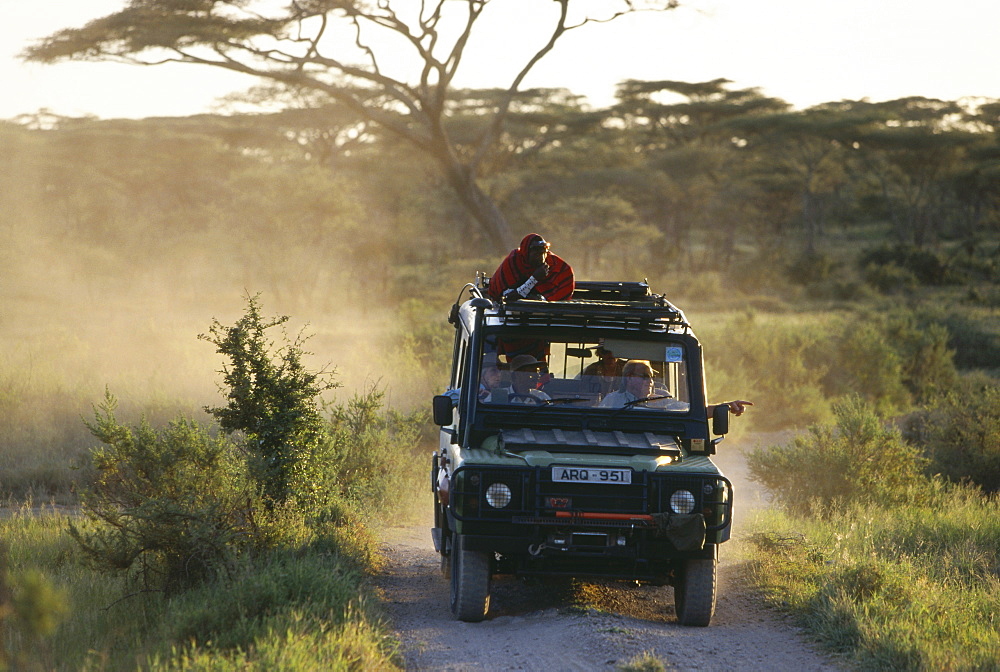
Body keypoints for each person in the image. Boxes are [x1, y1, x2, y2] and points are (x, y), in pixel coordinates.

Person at [599, 360, 753, 417]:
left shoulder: (662, 399)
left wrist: (726, 406)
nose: (650, 381)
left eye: (652, 377)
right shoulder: (612, 400)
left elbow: (694, 411)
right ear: (629, 378)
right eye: (645, 376)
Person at [487, 233, 574, 302]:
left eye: (543, 252)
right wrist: (534, 279)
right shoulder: (514, 262)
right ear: (526, 252)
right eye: (536, 253)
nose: (541, 257)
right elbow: (508, 297)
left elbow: (560, 298)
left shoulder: (556, 266)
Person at [485, 354, 551, 404]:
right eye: (532, 372)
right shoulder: (498, 396)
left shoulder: (541, 397)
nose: (537, 375)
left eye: (538, 372)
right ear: (518, 374)